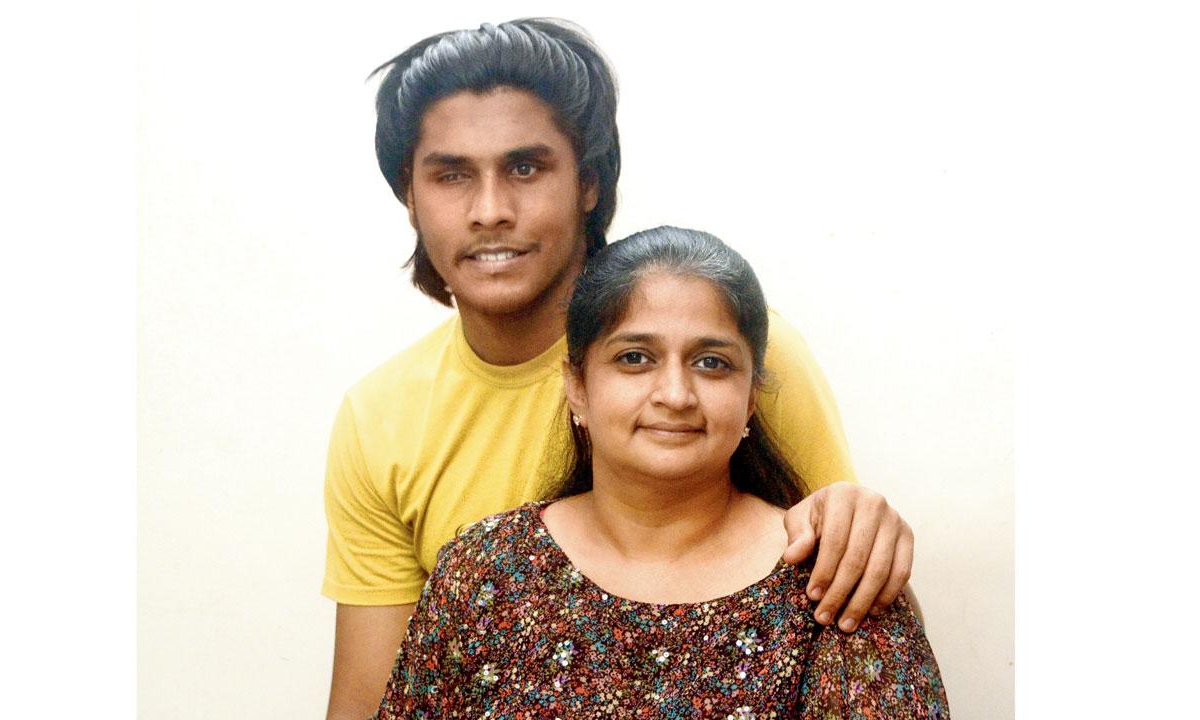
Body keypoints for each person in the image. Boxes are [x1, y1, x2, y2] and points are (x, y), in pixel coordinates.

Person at [325, 19, 916, 718]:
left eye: (525, 167)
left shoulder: (730, 360)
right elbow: (371, 700)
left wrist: (862, 524)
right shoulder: (381, 418)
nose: (490, 211)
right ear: (409, 195)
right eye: (452, 175)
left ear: (589, 184)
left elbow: (844, 601)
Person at [376, 227, 948, 718]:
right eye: (635, 358)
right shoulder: (484, 575)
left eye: (711, 363)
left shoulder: (831, 581)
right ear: (577, 387)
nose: (675, 394)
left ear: (752, 397)